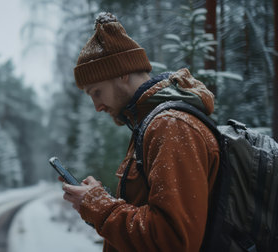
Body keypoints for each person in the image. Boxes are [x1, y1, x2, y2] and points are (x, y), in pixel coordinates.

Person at [61, 12, 220, 252]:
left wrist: (100, 206)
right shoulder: (149, 124)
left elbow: (173, 241)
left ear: (122, 74)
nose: (97, 107)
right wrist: (97, 201)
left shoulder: (170, 126)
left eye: (97, 92)